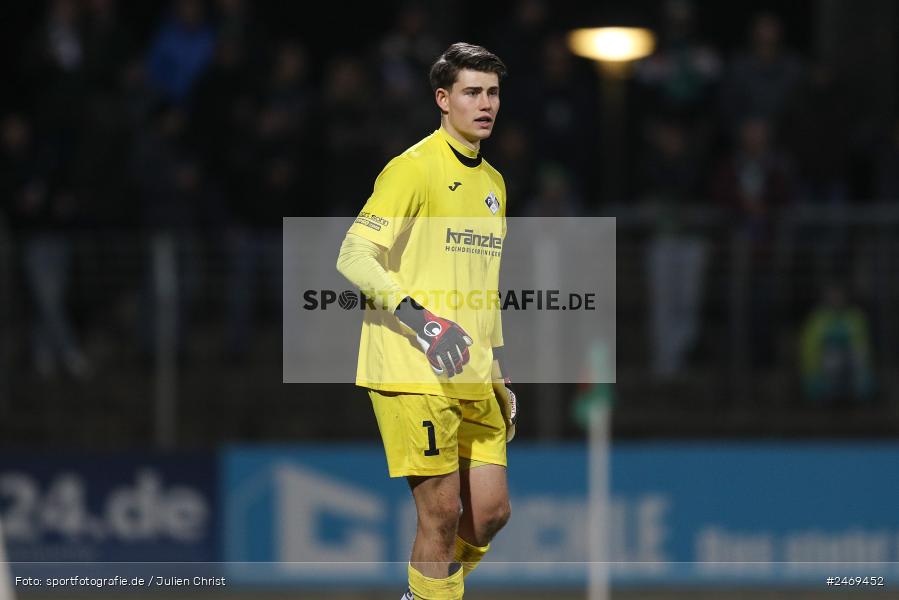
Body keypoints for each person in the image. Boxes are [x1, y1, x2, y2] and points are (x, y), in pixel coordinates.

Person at [336, 42, 516, 600]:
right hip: (412, 365)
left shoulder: (494, 185)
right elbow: (353, 255)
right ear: (443, 99)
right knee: (440, 514)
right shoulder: (411, 169)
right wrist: (426, 322)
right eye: (471, 92)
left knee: (488, 515)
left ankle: (423, 593)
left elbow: (480, 285)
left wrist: (495, 367)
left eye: (491, 93)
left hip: (470, 368)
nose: (484, 104)